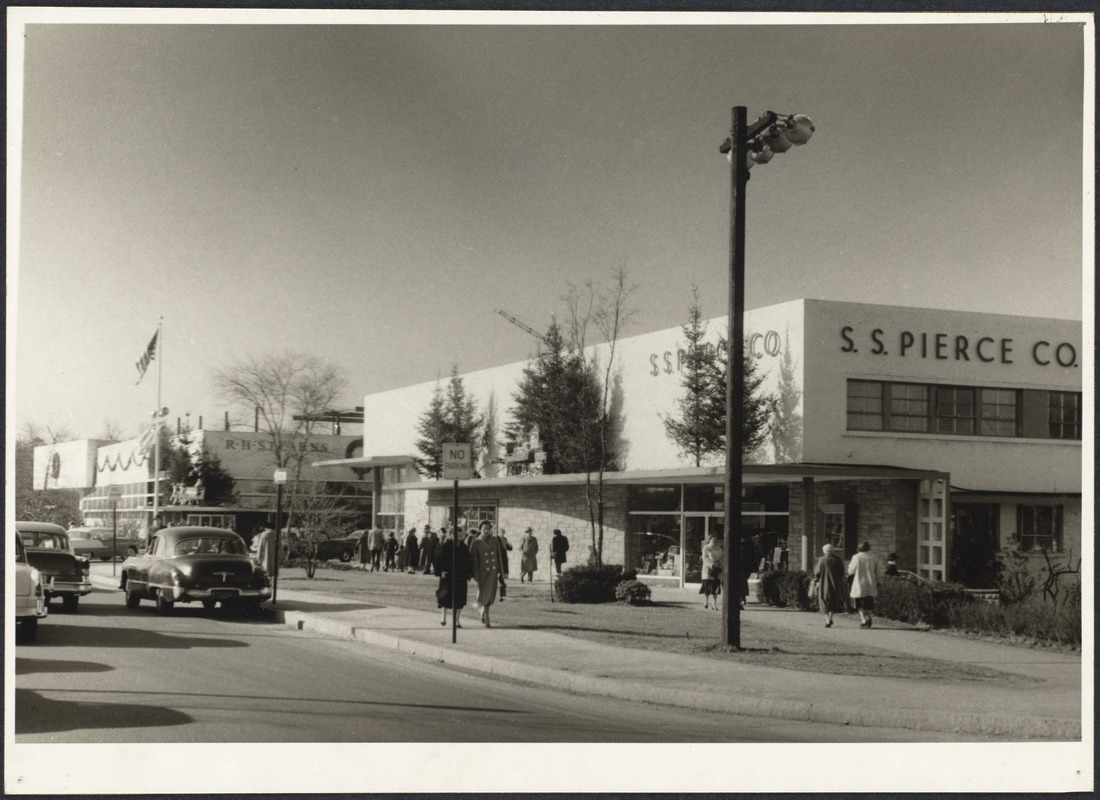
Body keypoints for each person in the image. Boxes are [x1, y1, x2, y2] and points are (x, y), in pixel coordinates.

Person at [468, 521, 504, 627]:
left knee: (490, 595)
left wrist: (501, 571)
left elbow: (499, 556)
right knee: (483, 594)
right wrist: (475, 573)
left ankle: (485, 614)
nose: (487, 531)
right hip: (482, 573)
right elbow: (473, 559)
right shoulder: (476, 542)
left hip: (493, 572)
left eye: (488, 529)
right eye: (484, 529)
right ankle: (485, 614)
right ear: (480, 530)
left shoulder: (495, 540)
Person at [435, 529, 471, 628]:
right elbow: (439, 560)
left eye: (461, 536)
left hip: (460, 577)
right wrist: (441, 571)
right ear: (450, 535)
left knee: (459, 599)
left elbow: (468, 561)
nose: (459, 538)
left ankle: (456, 620)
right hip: (447, 576)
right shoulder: (445, 546)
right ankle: (443, 616)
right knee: (445, 597)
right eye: (457, 536)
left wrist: (468, 573)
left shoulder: (464, 547)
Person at [848, 540, 883, 628]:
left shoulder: (856, 557)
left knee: (858, 603)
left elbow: (851, 570)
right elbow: (878, 572)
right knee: (869, 602)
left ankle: (863, 620)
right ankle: (869, 616)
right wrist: (879, 581)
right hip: (870, 582)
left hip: (859, 582)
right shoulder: (874, 557)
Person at [814, 543, 847, 628]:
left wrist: (816, 579)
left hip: (824, 583)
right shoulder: (838, 560)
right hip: (835, 583)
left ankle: (827, 620)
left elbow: (817, 572)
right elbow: (842, 572)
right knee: (833, 600)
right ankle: (830, 617)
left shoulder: (822, 560)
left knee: (823, 600)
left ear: (824, 551)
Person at [698, 534, 723, 610]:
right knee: (708, 587)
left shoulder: (719, 548)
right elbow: (705, 558)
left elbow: (723, 556)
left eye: (716, 540)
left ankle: (714, 604)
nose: (715, 541)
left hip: (717, 569)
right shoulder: (706, 548)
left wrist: (719, 563)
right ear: (709, 540)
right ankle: (706, 601)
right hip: (709, 569)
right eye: (713, 540)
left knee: (716, 587)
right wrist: (712, 564)